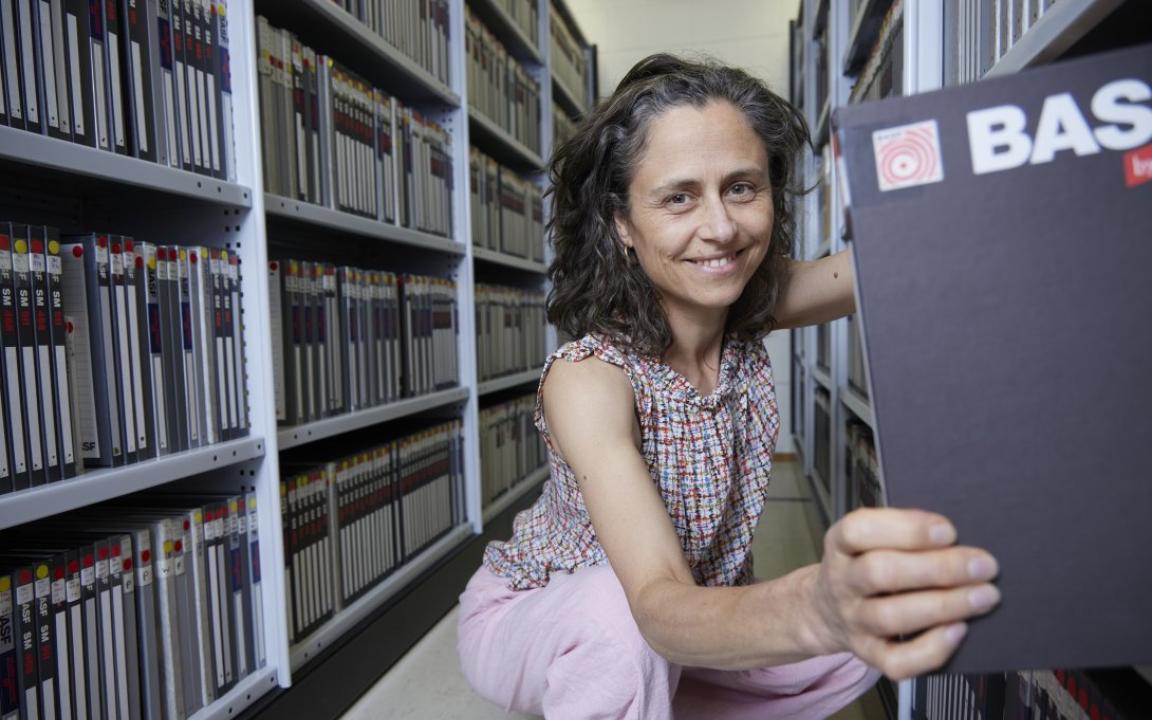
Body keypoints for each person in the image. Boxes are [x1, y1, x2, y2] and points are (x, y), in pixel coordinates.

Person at [457, 54, 1001, 720]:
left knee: (902, 608)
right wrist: (813, 608)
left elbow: (888, 262)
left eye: (742, 187)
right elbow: (654, 603)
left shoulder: (744, 307)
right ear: (622, 222)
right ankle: (607, 688)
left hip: (684, 626)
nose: (720, 227)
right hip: (564, 615)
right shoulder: (589, 376)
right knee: (619, 624)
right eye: (678, 196)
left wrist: (1026, 166)